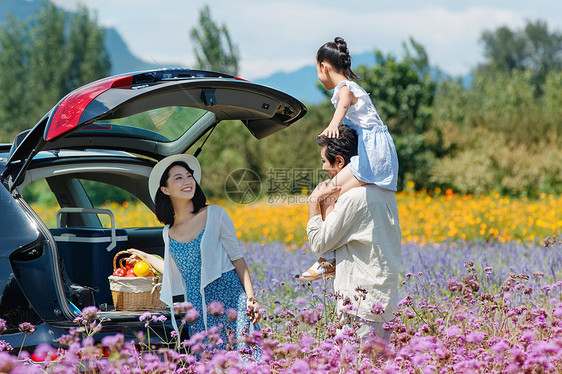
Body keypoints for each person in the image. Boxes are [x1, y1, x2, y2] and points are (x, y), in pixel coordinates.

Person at [127, 154, 260, 354]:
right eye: (178, 178)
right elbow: (174, 271)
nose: (187, 181)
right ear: (165, 189)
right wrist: (145, 257)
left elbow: (237, 258)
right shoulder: (168, 232)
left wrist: (251, 298)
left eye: (189, 176)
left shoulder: (215, 214)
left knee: (245, 360)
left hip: (233, 303)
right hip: (199, 311)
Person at [299, 36, 399, 281]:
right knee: (330, 193)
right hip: (373, 152)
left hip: (373, 155)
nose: (318, 75)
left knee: (325, 193)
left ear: (324, 66)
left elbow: (344, 104)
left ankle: (328, 260)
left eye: (317, 69)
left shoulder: (345, 89)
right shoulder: (351, 88)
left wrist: (333, 124)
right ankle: (329, 259)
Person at [306, 125, 402, 341]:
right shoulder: (385, 192)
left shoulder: (354, 198)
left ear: (340, 161)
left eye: (324, 161)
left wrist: (314, 202)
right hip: (383, 302)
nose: (323, 168)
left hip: (359, 307)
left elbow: (320, 243)